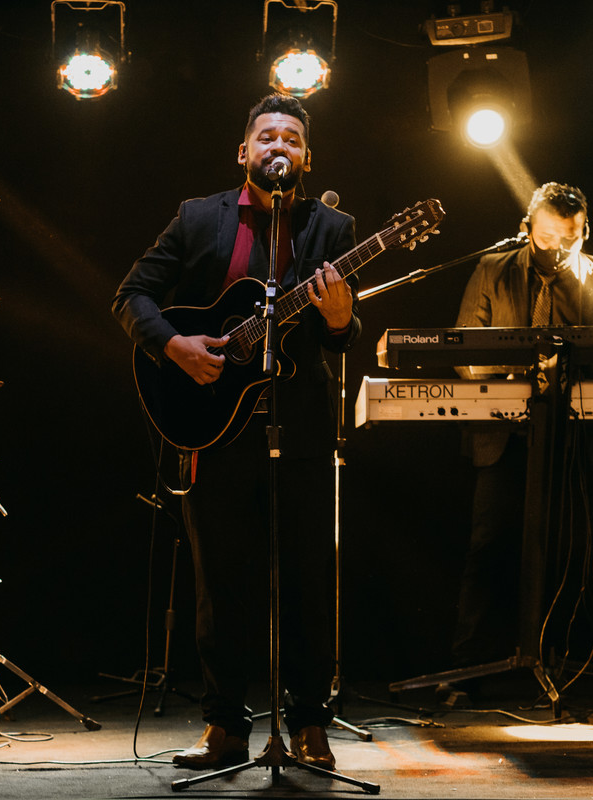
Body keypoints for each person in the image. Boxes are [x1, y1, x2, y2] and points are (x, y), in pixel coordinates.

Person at [112, 93, 359, 770]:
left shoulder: (332, 228)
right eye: (267, 135)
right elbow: (132, 294)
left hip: (302, 430)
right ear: (244, 151)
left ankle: (310, 725)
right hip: (211, 432)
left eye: (293, 138)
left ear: (306, 157)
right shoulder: (198, 219)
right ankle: (225, 726)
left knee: (310, 581)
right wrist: (173, 346)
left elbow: (343, 336)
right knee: (220, 587)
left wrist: (337, 319)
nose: (280, 144)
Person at [450, 182, 593, 669]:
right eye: (548, 237)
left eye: (570, 239)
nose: (557, 249)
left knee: (580, 548)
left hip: (580, 436)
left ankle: (579, 664)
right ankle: (471, 666)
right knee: (488, 547)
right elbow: (466, 357)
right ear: (526, 229)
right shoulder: (492, 269)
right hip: (504, 436)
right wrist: (513, 369)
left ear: (586, 232)